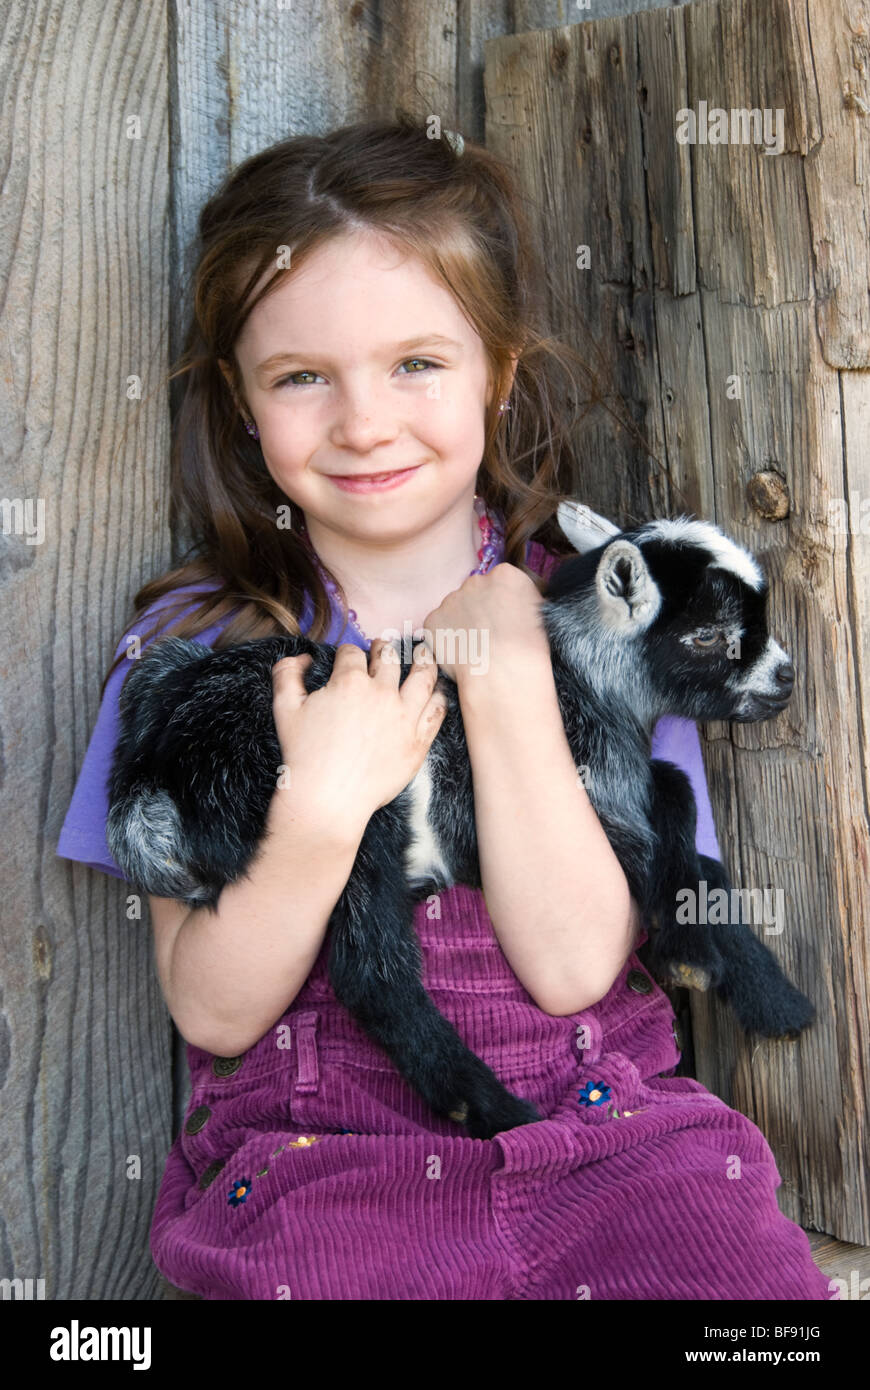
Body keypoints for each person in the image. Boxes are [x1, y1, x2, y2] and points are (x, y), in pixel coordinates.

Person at [56, 116, 831, 1301]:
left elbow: (577, 967)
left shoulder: (616, 633)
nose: (364, 421)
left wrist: (512, 679)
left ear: (500, 371)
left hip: (607, 1144)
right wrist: (319, 808)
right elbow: (212, 1010)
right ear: (243, 400)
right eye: (302, 376)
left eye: (418, 362)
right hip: (327, 1166)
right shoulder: (200, 653)